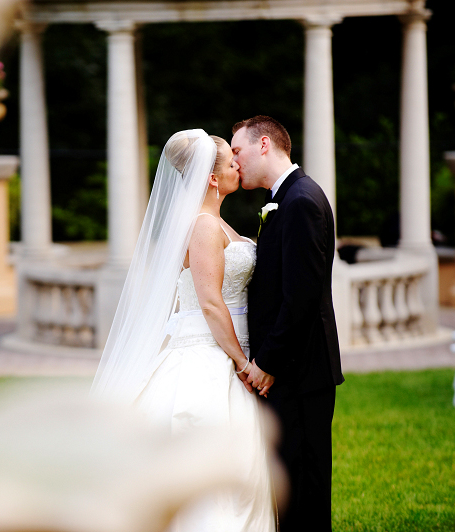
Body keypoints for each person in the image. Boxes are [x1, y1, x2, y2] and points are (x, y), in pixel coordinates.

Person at [92, 129, 276, 531]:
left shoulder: (216, 223)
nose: (238, 165)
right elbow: (210, 304)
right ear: (211, 178)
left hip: (223, 350)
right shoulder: (204, 227)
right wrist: (244, 363)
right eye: (231, 162)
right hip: (209, 358)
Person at [230, 116, 344, 531]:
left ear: (264, 144)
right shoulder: (289, 198)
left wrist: (267, 363)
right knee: (292, 490)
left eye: (237, 150)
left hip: (299, 374)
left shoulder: (300, 202)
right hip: (295, 373)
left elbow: (301, 298)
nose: (234, 161)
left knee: (304, 492)